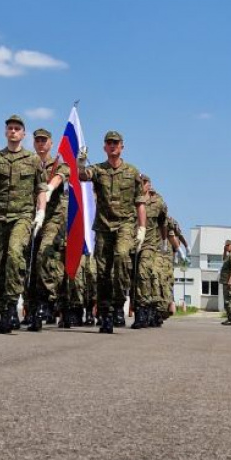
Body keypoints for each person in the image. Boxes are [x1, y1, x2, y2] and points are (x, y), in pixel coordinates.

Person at [0, 115, 47, 334]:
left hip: (22, 217)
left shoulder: (33, 160)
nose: (13, 131)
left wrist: (41, 211)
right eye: (10, 128)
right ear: (6, 133)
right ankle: (7, 311)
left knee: (15, 255)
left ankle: (12, 306)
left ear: (23, 134)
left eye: (17, 128)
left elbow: (41, 188)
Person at [78, 130, 146, 334]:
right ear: (104, 147)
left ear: (122, 146)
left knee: (122, 255)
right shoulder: (98, 169)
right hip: (103, 226)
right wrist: (80, 163)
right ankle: (106, 313)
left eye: (116, 143)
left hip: (125, 224)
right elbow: (83, 175)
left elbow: (140, 202)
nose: (113, 146)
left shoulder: (132, 172)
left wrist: (142, 228)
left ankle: (119, 302)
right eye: (109, 143)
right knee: (102, 272)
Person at [28, 128, 69, 331]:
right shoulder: (28, 162)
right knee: (29, 263)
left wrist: (49, 188)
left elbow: (60, 177)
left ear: (51, 144)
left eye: (44, 140)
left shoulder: (59, 163)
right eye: (38, 140)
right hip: (31, 218)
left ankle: (48, 301)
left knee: (44, 256)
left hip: (53, 219)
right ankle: (33, 309)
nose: (41, 144)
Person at [132, 174, 169, 329]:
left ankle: (143, 310)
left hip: (149, 244)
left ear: (149, 184)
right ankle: (145, 308)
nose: (141, 185)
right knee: (133, 277)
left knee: (143, 272)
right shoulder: (130, 200)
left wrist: (164, 242)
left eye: (144, 183)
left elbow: (163, 223)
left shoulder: (158, 202)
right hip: (132, 243)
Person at [219, 240, 231, 325]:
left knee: (229, 300)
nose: (226, 247)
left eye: (227, 245)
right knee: (226, 300)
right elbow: (223, 259)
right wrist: (224, 251)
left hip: (229, 281)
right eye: (225, 245)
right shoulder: (228, 255)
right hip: (226, 281)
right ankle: (229, 318)